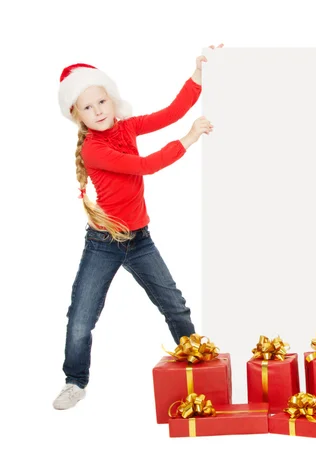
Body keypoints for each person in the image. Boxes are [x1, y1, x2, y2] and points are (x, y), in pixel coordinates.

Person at [53, 46, 222, 410]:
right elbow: (143, 166)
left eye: (102, 101)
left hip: (140, 240)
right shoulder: (94, 150)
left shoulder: (127, 127)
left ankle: (198, 364)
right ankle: (75, 381)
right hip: (104, 243)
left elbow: (171, 112)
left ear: (113, 102)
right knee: (81, 318)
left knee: (175, 306)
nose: (98, 110)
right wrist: (189, 139)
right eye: (88, 106)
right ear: (76, 115)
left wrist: (197, 75)